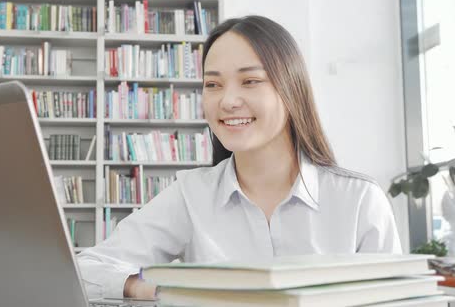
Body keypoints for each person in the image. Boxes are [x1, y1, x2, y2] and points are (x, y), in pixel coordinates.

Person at [77, 15, 402, 300]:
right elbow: (86, 268)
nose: (228, 100)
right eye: (213, 84)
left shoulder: (359, 201)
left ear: (292, 89)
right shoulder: (191, 195)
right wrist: (158, 289)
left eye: (250, 81)